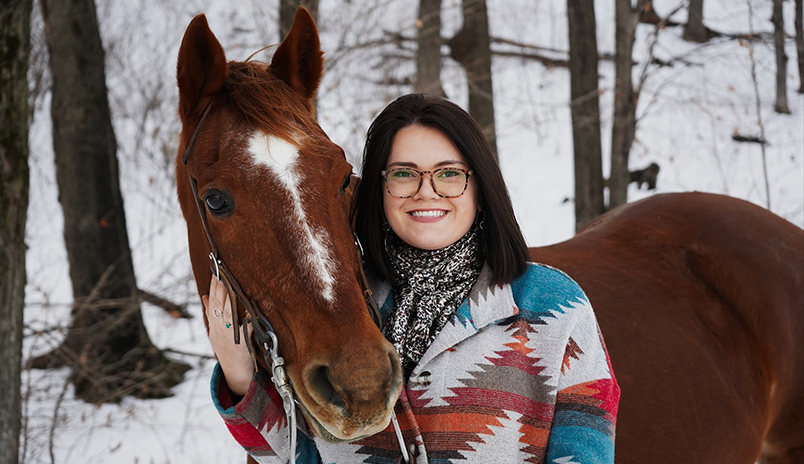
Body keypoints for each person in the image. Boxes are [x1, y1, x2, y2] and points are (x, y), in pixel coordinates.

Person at [204, 94, 620, 463]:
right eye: (403, 174)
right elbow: (300, 457)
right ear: (378, 190)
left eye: (449, 173)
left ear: (480, 185)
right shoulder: (342, 316)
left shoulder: (554, 306)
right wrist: (240, 379)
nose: (426, 191)